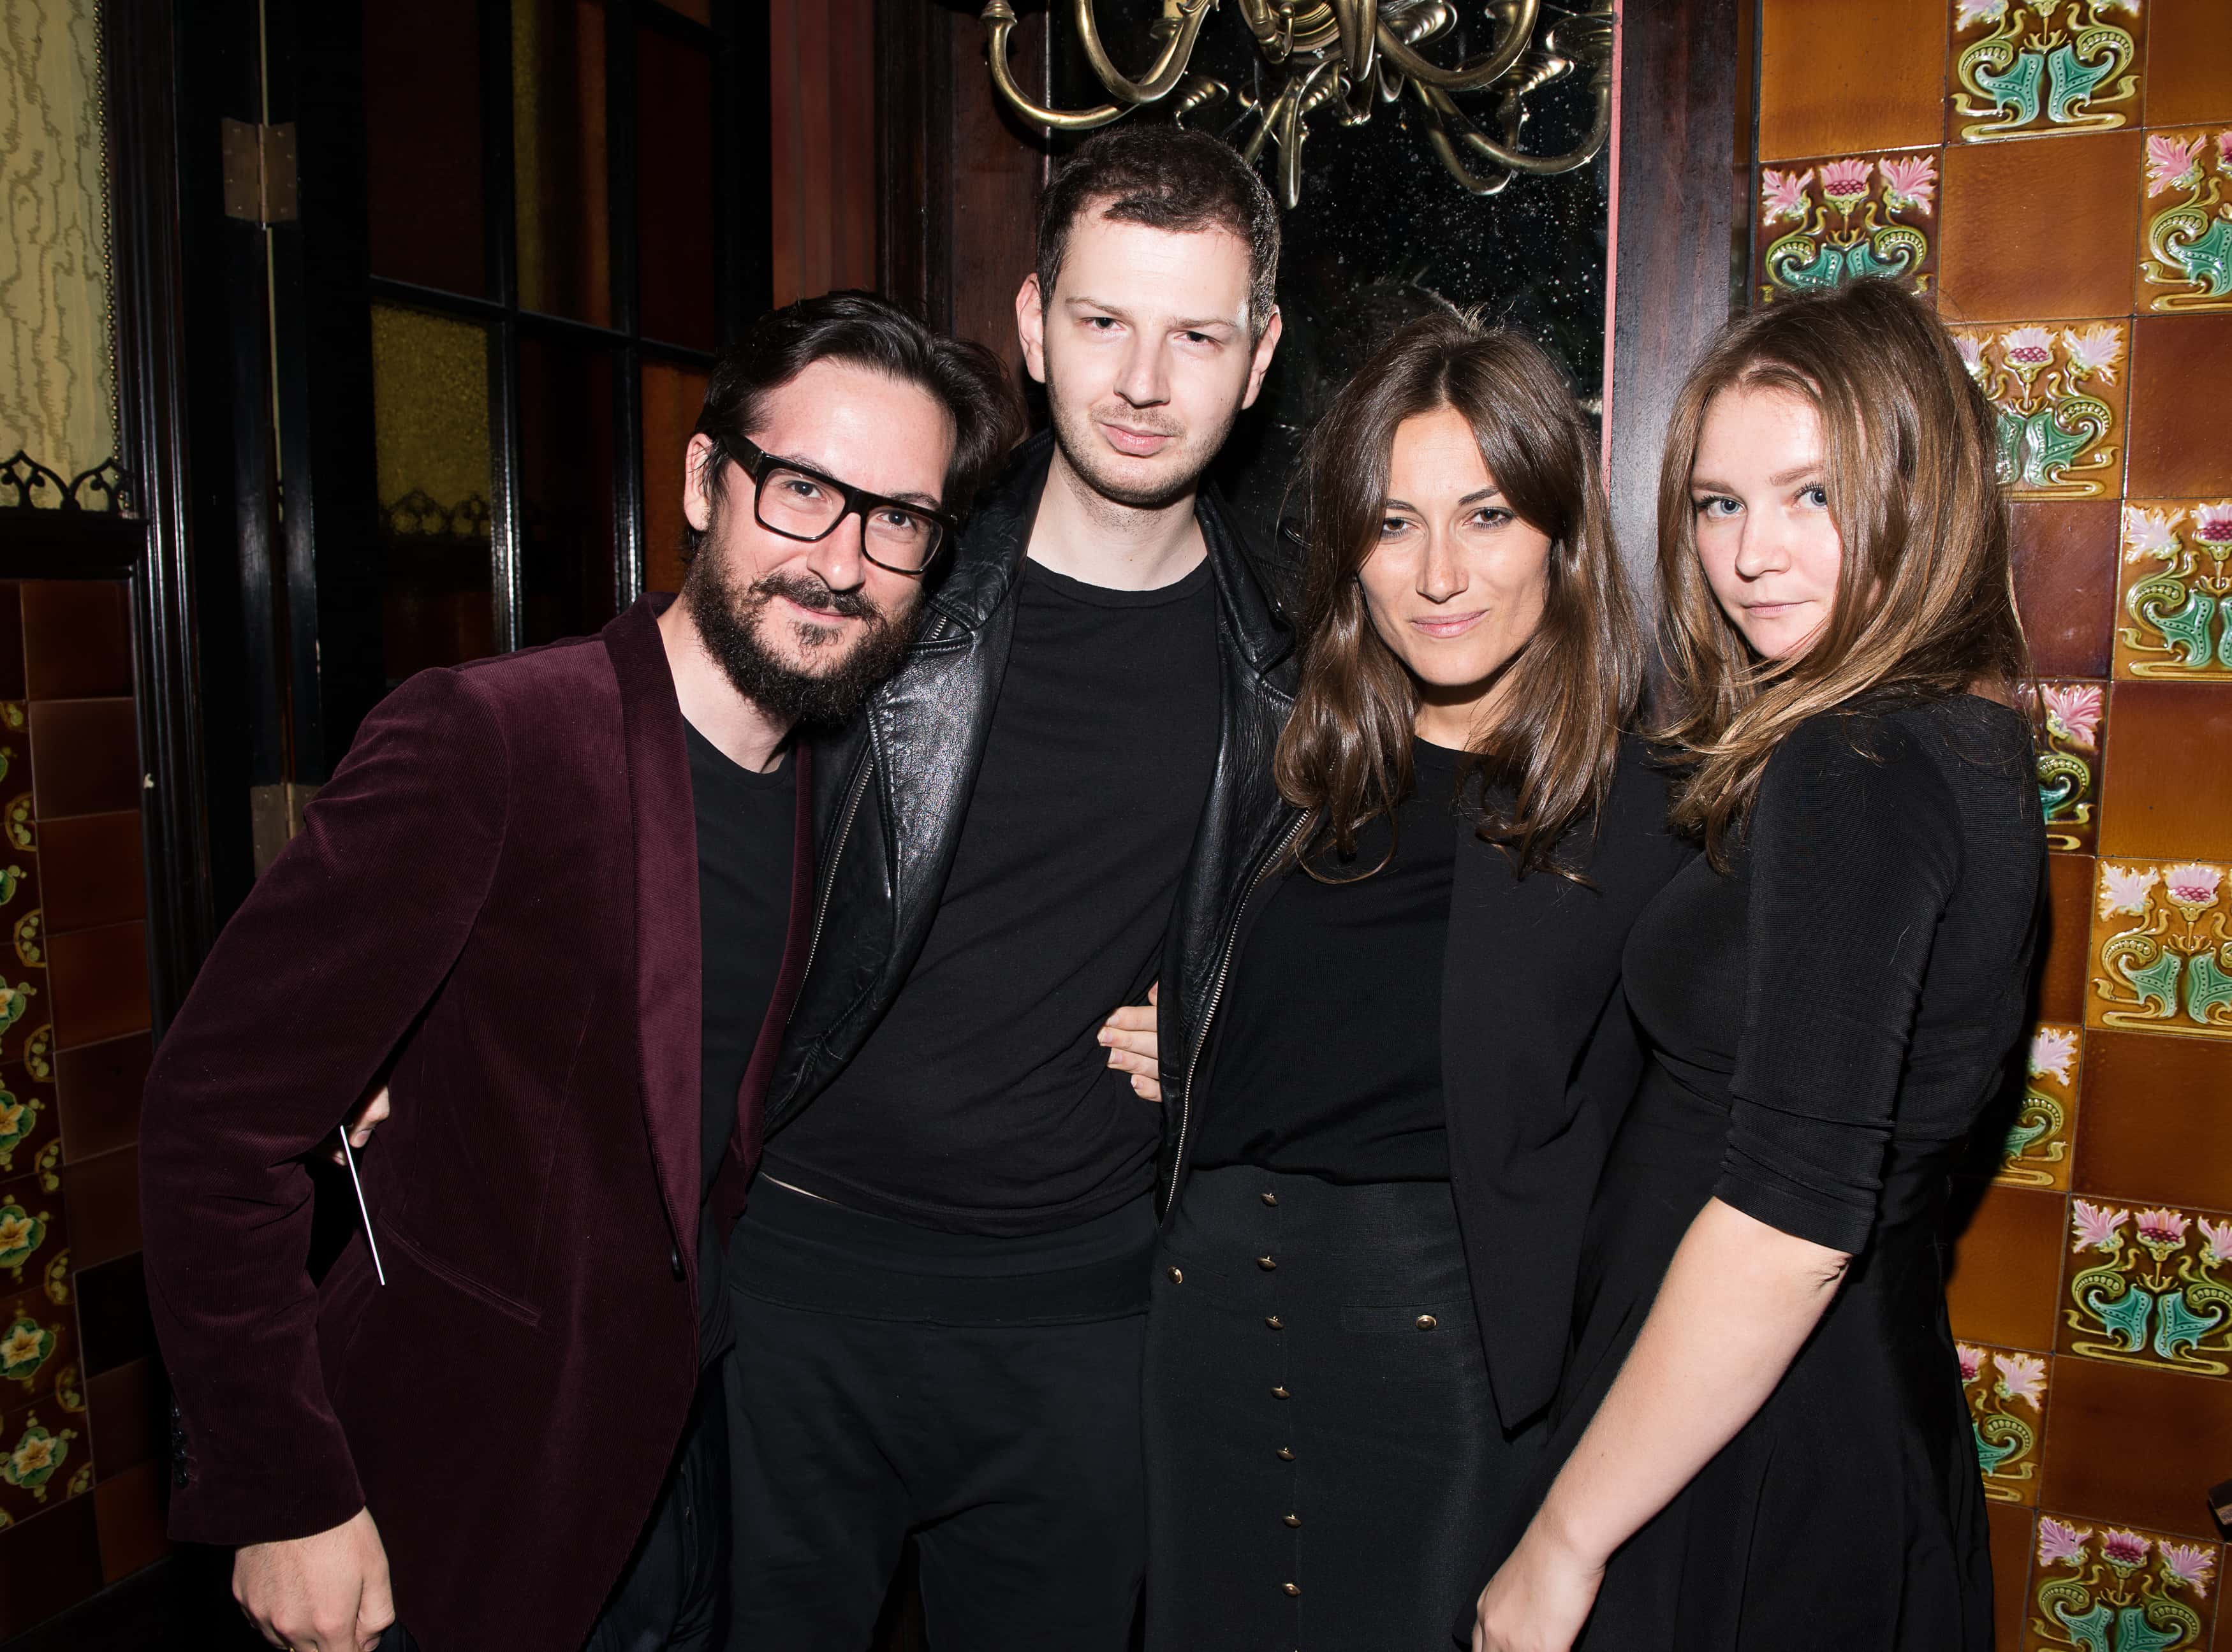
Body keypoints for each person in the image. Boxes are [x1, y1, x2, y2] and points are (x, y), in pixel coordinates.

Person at [137, 292, 1019, 1652]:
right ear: (706, 480)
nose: (840, 562)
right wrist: (284, 1493)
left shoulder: (839, 801)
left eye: (894, 519)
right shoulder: (492, 740)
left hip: (684, 1485)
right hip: (448, 1489)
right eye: (800, 491)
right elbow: (213, 1125)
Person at [726, 124, 1289, 1648]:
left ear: (1259, 358)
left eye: (1195, 334)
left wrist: (1244, 1035)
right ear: (1034, 326)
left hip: (1085, 1317)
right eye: (1103, 321)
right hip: (794, 1285)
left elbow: (1416, 944)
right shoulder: (882, 571)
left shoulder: (1296, 664)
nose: (1144, 379)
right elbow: (658, 794)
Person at [1473, 278, 2043, 1651]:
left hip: (1748, 1445)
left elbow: (1790, 1230)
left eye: (1812, 496)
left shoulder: (1854, 761)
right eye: (1718, 504)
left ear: (1922, 490)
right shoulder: (1961, 741)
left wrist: (1561, 1542)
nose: (1750, 556)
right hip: (1811, 1408)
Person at [1140, 312, 1691, 1650]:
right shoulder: (1288, 776)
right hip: (1201, 1335)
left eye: (1487, 516)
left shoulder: (1648, 816)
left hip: (1446, 1366)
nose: (1440, 572)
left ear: (1561, 537)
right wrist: (1194, 1039)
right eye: (1393, 525)